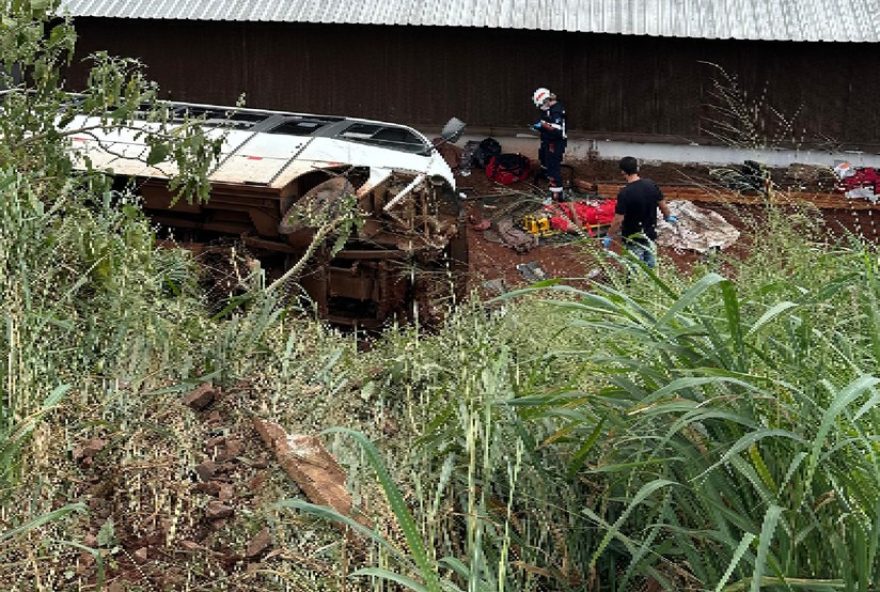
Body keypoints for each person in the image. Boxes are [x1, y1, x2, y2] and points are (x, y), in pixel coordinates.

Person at [602, 156, 678, 268]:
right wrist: (668, 217)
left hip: (633, 237)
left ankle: (632, 284)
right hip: (650, 233)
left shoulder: (625, 193)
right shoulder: (651, 184)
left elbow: (618, 220)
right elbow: (663, 205)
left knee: (634, 268)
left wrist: (609, 236)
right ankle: (650, 284)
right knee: (651, 265)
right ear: (637, 168)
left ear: (622, 172)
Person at [531, 87, 567, 205]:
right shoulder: (549, 108)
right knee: (544, 162)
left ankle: (557, 198)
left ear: (547, 100)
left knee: (553, 168)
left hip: (555, 143)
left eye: (541, 104)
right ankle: (547, 186)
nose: (541, 107)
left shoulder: (556, 110)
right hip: (547, 141)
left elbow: (557, 130)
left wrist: (542, 125)